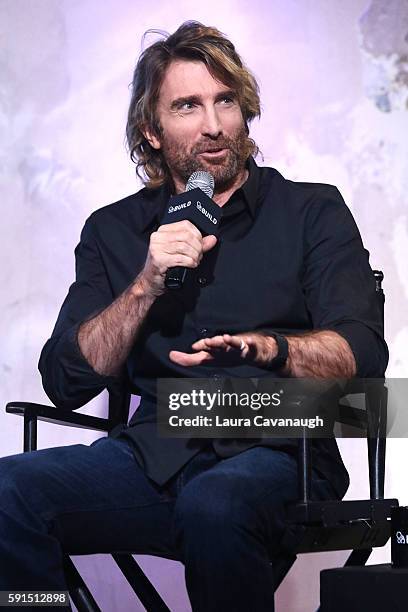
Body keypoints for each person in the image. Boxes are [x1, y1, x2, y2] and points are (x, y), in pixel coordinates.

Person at [0, 21, 388, 612]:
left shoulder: (312, 210)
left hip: (281, 453)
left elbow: (363, 350)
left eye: (225, 101)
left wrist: (271, 350)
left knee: (214, 503)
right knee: (8, 492)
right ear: (151, 131)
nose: (213, 125)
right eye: (187, 106)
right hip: (152, 455)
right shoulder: (114, 231)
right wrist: (143, 286)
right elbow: (66, 380)